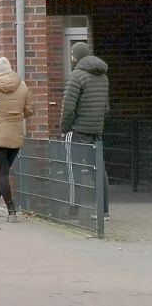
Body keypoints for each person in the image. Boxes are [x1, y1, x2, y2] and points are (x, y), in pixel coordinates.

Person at [0, 57, 35, 223]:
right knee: (2, 172)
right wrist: (16, 117)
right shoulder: (23, 86)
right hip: (15, 134)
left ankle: (11, 210)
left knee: (1, 173)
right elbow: (30, 110)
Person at [60, 42, 110, 220]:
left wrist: (64, 129)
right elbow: (105, 107)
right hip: (96, 131)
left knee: (73, 171)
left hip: (77, 131)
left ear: (75, 56)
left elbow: (68, 108)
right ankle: (103, 211)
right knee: (98, 170)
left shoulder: (76, 76)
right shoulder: (103, 77)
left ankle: (73, 211)